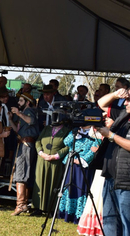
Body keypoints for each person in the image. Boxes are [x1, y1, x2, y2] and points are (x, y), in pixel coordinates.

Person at [96, 88, 130, 235]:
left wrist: (111, 135)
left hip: (126, 181)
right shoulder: (123, 114)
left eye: (129, 100)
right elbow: (101, 103)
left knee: (126, 224)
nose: (125, 102)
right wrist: (116, 94)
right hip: (111, 177)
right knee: (110, 223)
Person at [58, 126, 100, 224]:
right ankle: (67, 213)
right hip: (71, 163)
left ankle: (79, 215)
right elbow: (66, 142)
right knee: (69, 187)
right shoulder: (75, 131)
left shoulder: (95, 132)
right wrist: (75, 133)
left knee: (80, 188)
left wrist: (82, 160)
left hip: (83, 165)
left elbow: (96, 147)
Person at [31, 117, 70, 216]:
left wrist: (56, 156)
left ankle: (51, 209)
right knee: (39, 182)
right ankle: (38, 208)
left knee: (53, 183)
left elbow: (68, 146)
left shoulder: (66, 131)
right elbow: (38, 141)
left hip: (55, 162)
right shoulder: (47, 128)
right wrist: (41, 152)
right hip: (42, 160)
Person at [9, 93, 39, 216]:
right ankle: (23, 203)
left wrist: (18, 113)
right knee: (22, 172)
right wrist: (11, 119)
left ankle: (20, 204)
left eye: (21, 101)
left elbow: (31, 121)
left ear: (27, 102)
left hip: (27, 144)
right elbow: (17, 130)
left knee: (21, 173)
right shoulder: (23, 113)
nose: (18, 103)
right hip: (22, 143)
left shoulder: (29, 111)